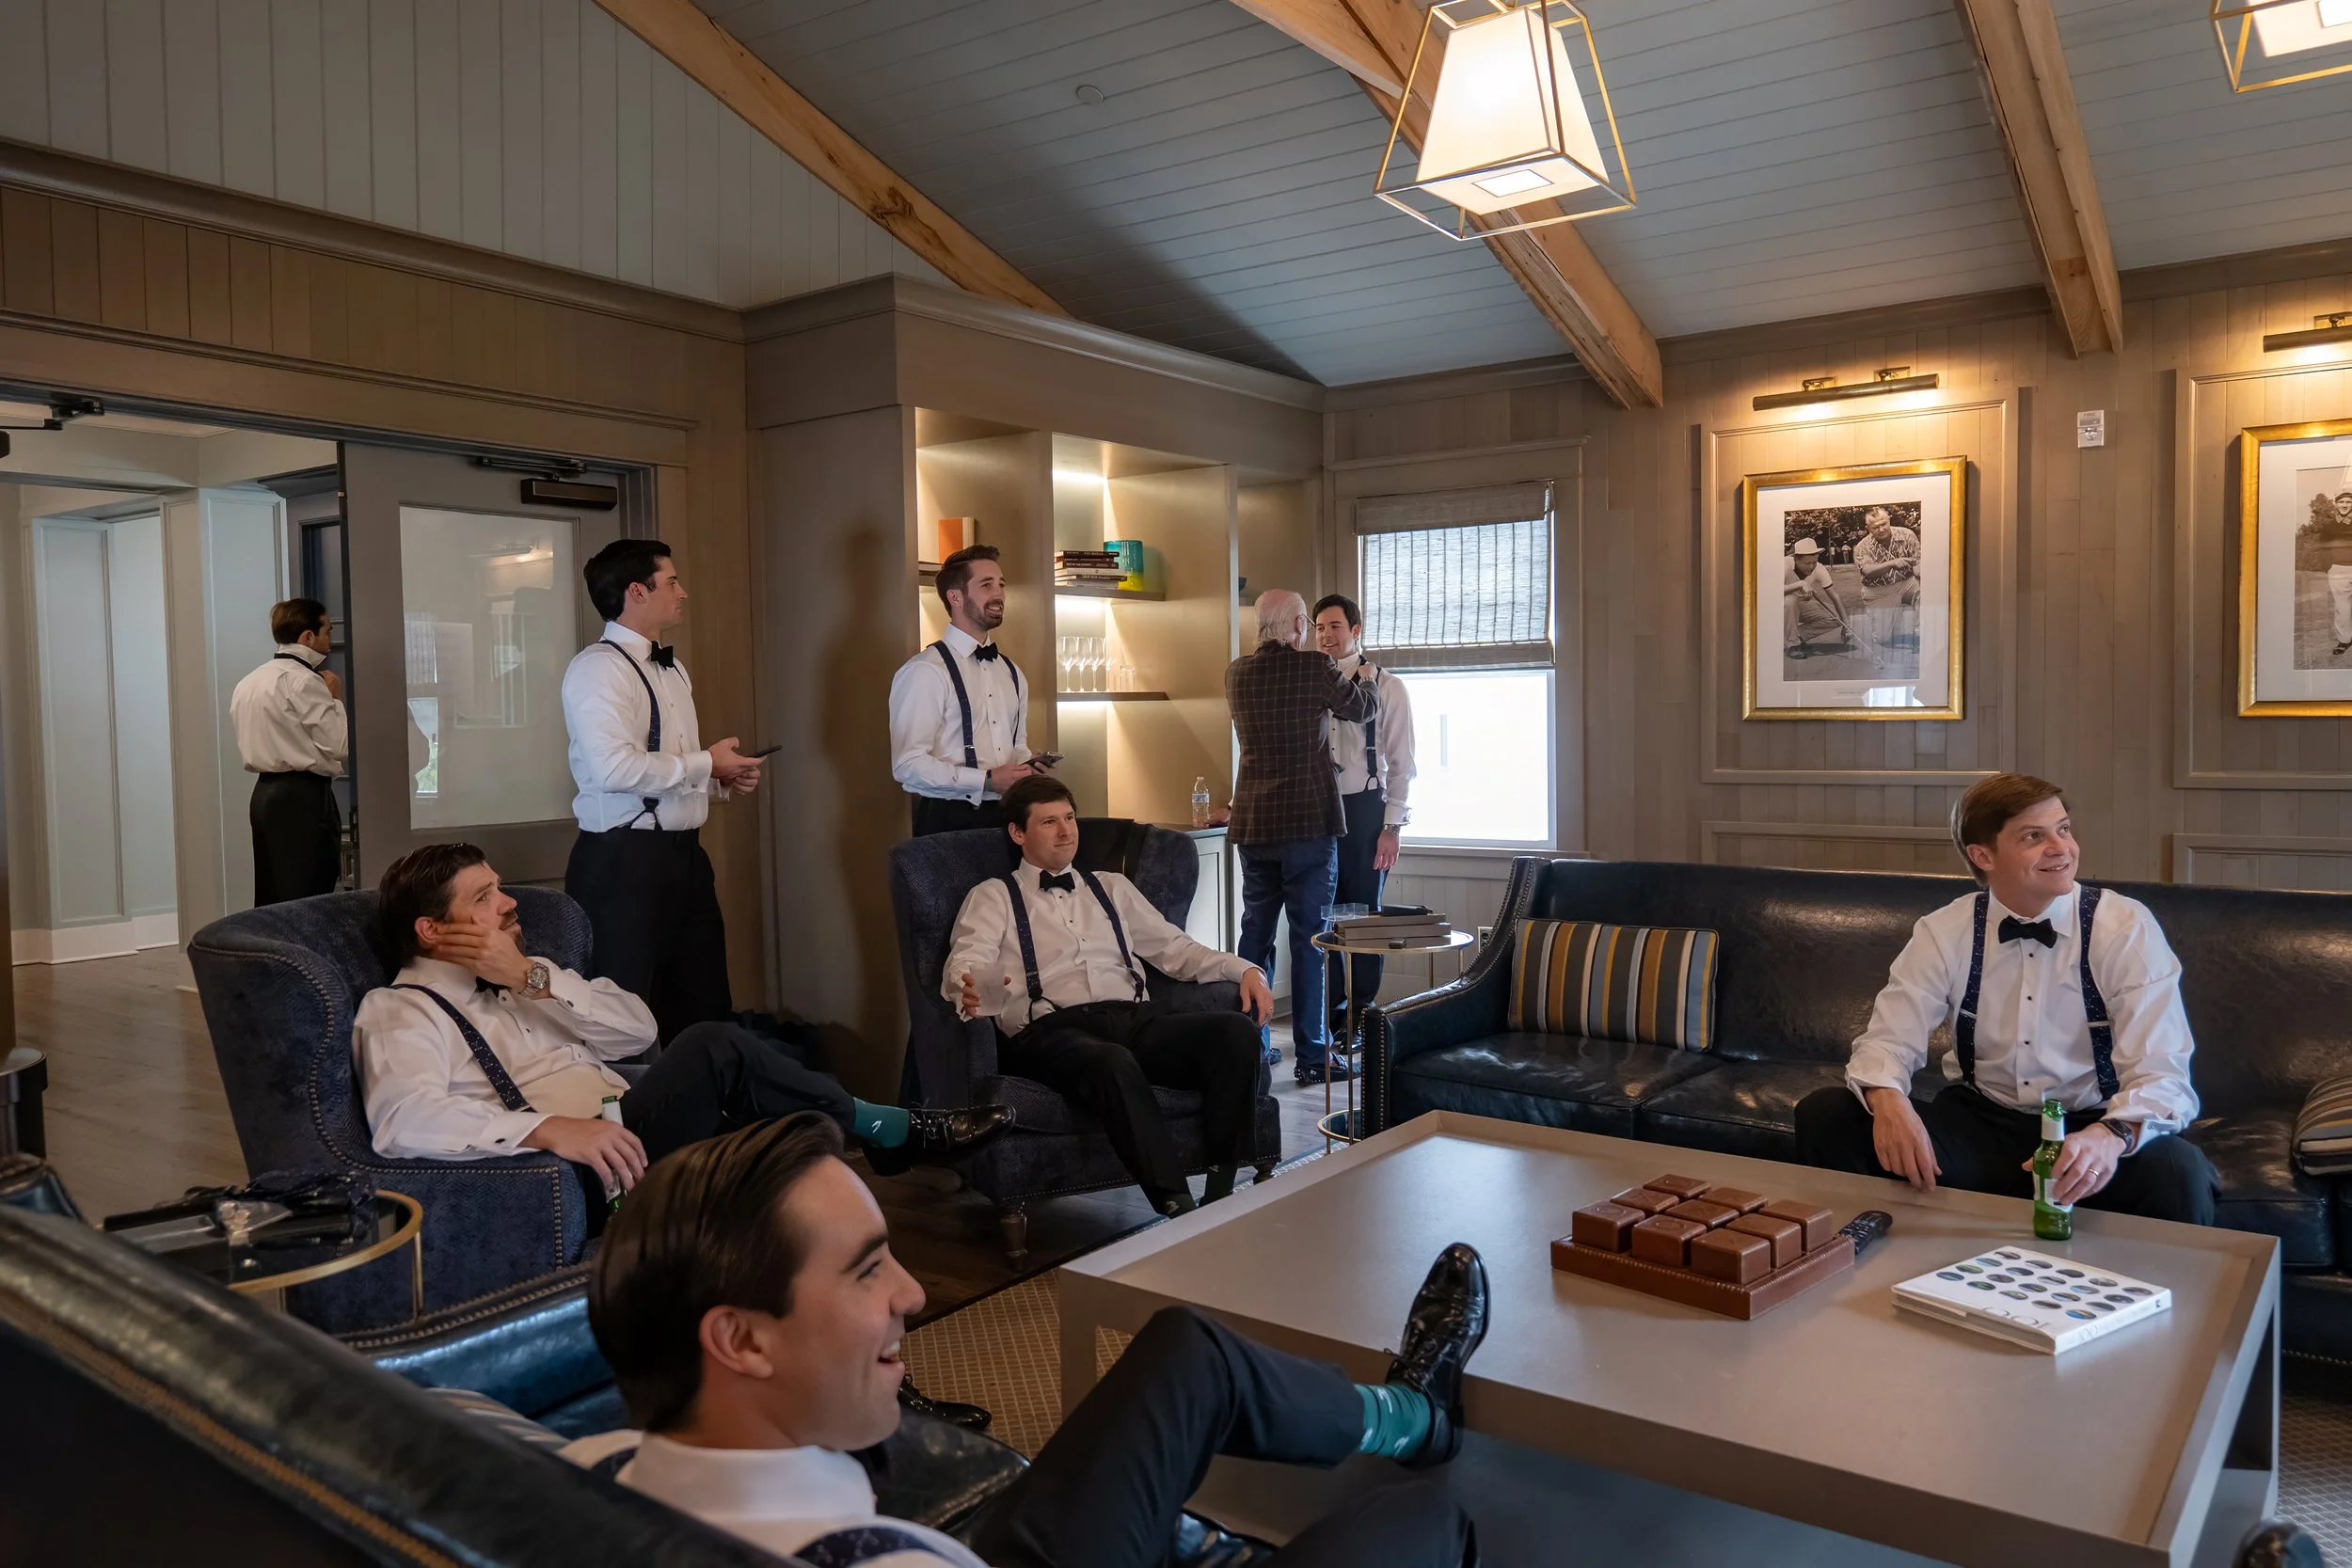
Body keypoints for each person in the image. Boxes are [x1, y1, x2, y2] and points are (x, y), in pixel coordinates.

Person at [587, 1112, 1487, 1568]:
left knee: (1188, 1352)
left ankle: (1412, 1412)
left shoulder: (593, 1467)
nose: (914, 1292)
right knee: (1424, 1522)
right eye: (866, 1270)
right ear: (740, 1340)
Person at [356, 842, 1013, 1213]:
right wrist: (549, 1129)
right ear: (431, 930)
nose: (508, 903)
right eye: (483, 897)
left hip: (639, 1127)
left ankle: (876, 1378)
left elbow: (637, 1031)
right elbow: (404, 1120)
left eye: (500, 887)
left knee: (802, 1160)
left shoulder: (531, 976)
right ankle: (892, 1129)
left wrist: (534, 978)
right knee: (709, 1040)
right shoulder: (401, 1009)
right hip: (577, 1170)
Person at [1793, 773, 2217, 1225]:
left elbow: (2163, 1075)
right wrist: (1888, 1099)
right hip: (1979, 1128)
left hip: (2086, 1129)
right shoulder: (1944, 930)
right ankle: (1864, 1256)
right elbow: (1887, 1041)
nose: (2062, 848)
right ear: (1983, 855)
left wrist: (2110, 1136)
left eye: (2064, 829)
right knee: (1828, 1114)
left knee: (2178, 1171)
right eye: (2035, 836)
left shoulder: (2125, 928)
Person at [944, 775, 1272, 1218]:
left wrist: (1246, 969)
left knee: (1235, 1033)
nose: (1066, 831)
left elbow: (1176, 951)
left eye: (1069, 818)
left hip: (1133, 1020)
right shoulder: (993, 896)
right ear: (1018, 833)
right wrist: (966, 987)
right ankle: (1176, 1203)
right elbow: (966, 960)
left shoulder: (1111, 887)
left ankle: (1220, 1187)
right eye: (1049, 822)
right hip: (1050, 1032)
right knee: (1112, 1062)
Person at [561, 539, 759, 1045]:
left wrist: (717, 778)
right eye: (671, 582)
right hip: (623, 863)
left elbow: (666, 766)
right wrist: (705, 762)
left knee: (705, 1007)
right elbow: (613, 769)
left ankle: (706, 1096)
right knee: (620, 1018)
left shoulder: (674, 668)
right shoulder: (596, 668)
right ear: (637, 591)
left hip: (686, 858)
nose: (683, 592)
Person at [1228, 590, 1377, 1085]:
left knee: (1255, 936)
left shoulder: (1236, 674)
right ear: (1297, 625)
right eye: (1307, 624)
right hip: (1308, 825)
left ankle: (1252, 1048)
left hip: (1254, 823)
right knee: (1310, 940)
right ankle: (1314, 1057)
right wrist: (1367, 678)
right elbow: (1360, 709)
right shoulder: (1315, 667)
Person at [1311, 594, 1416, 1049]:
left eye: (1335, 626)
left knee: (1365, 916)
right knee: (1325, 913)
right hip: (1317, 810)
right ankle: (1330, 1016)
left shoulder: (1388, 686)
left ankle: (1361, 1017)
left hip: (1367, 810)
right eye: (1319, 628)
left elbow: (1402, 763)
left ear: (1355, 631)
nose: (1325, 636)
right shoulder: (1310, 682)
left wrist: (1391, 828)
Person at [891, 544, 1035, 836]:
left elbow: (1018, 747)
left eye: (1001, 584)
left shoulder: (1012, 671)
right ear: (955, 597)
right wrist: (985, 780)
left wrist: (1028, 767)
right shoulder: (925, 671)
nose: (999, 594)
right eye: (986, 585)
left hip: (1010, 815)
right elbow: (907, 765)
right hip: (947, 819)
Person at [230, 598, 347, 904]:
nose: (329, 639)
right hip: (302, 796)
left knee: (272, 893)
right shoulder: (304, 681)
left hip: (264, 795)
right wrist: (334, 699)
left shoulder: (249, 682)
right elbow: (337, 745)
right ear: (308, 637)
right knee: (309, 892)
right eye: (327, 631)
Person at [1849, 506, 1920, 665]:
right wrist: (1892, 563)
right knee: (1882, 638)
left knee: (1927, 590)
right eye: (1875, 527)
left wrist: (1922, 574)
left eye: (1884, 524)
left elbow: (1918, 562)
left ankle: (1920, 634)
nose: (1881, 529)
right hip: (1878, 590)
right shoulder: (1862, 546)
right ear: (1868, 528)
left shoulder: (1907, 534)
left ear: (1889, 520)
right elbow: (1867, 571)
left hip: (1907, 582)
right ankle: (1891, 615)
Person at [2296, 489, 2352, 658]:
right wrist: (2330, 568)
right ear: (2336, 504)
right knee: (2343, 607)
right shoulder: (2329, 527)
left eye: (2348, 502)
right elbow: (2323, 550)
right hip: (2339, 570)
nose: (2345, 505)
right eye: (2341, 502)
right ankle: (2344, 640)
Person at [1782, 538, 1851, 660]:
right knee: (1790, 600)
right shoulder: (1784, 564)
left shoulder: (1818, 568)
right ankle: (1791, 645)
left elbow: (1835, 596)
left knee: (1837, 618)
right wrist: (1800, 584)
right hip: (1777, 608)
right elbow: (1770, 591)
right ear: (1796, 559)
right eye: (1807, 563)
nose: (1811, 567)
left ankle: (1796, 637)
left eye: (1814, 562)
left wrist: (1846, 625)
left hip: (1800, 604)